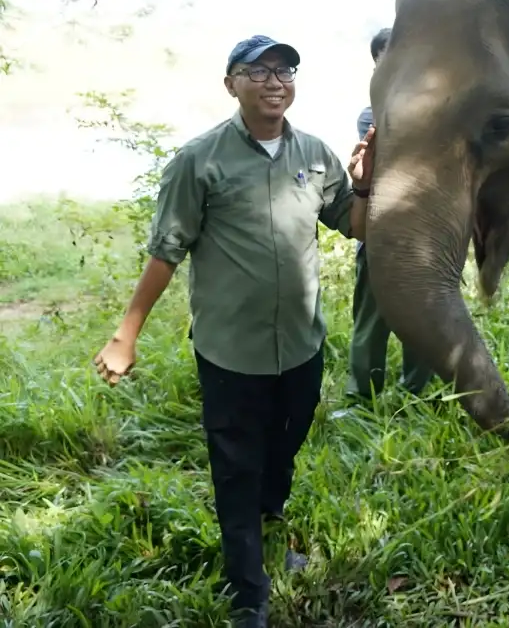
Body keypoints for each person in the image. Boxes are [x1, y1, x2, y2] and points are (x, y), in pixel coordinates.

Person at [91, 34, 375, 628]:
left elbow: (357, 227)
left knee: (284, 450)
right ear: (231, 84)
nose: (276, 81)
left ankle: (269, 534)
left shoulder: (316, 154)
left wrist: (366, 183)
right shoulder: (202, 160)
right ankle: (247, 590)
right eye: (259, 71)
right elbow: (166, 251)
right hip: (231, 352)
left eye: (286, 70)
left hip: (301, 346)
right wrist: (126, 333)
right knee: (237, 466)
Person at [344, 26, 434, 401]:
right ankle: (361, 397)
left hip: (428, 235)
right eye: (386, 58)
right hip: (381, 234)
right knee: (371, 321)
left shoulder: (434, 107)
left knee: (427, 318)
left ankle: (418, 392)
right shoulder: (371, 116)